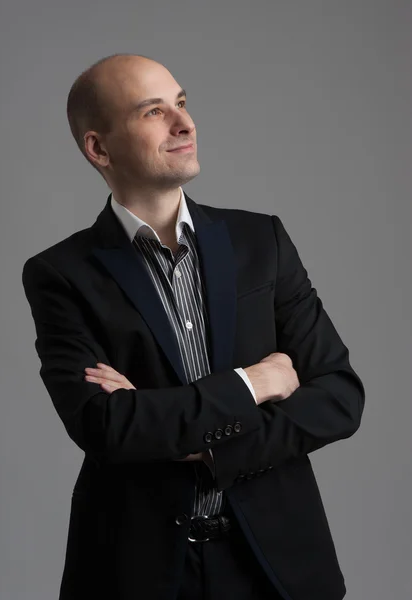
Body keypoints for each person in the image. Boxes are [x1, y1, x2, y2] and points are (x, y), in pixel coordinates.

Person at [22, 53, 365, 600]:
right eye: (153, 111)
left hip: (277, 567)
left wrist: (210, 448)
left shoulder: (262, 243)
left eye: (181, 103)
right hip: (136, 571)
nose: (185, 124)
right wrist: (255, 384)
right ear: (99, 148)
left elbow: (339, 396)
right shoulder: (61, 275)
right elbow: (106, 426)